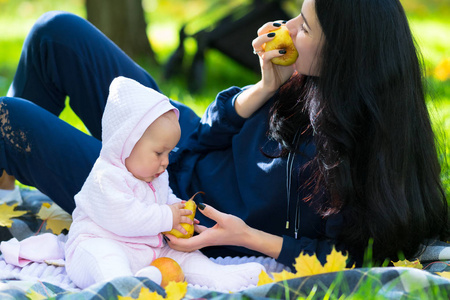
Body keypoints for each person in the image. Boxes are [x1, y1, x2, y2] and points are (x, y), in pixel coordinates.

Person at [0, 0, 448, 270]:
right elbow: (202, 137)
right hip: (182, 142)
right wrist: (265, 87)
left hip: (160, 198)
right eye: (298, 14)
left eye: (305, 27)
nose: (288, 29)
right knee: (54, 35)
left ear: (345, 55)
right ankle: (4, 190)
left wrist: (249, 237)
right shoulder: (303, 83)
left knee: (7, 119)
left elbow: (353, 254)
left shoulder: (366, 156)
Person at [64, 76, 264, 290]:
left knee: (184, 256)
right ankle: (122, 287)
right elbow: (125, 216)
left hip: (148, 249)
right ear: (127, 142)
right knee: (106, 257)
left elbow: (164, 198)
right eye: (159, 152)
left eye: (169, 152)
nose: (166, 162)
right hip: (98, 242)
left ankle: (218, 276)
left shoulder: (157, 174)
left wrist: (180, 214)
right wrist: (168, 217)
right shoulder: (106, 177)